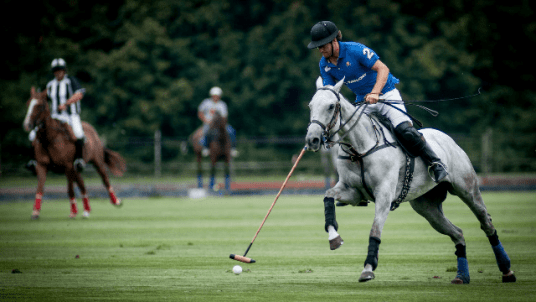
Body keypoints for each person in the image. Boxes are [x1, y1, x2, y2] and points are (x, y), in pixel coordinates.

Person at [307, 21, 447, 183]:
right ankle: (356, 183)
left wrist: (375, 92)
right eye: (318, 46)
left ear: (334, 41)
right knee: (353, 135)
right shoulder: (324, 64)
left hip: (386, 94)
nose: (320, 49)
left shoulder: (355, 50)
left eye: (323, 45)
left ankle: (435, 163)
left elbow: (383, 69)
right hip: (362, 101)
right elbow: (329, 94)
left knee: (404, 130)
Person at [26, 58, 87, 173]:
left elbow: (79, 94)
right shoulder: (51, 84)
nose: (58, 73)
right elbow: (42, 98)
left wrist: (66, 103)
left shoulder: (71, 81)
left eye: (60, 70)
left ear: (64, 71)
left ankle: (79, 160)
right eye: (55, 71)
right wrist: (35, 95)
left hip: (71, 115)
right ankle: (33, 161)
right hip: (55, 116)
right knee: (32, 135)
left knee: (78, 133)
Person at [197, 86, 238, 157]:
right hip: (208, 123)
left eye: (217, 96)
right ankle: (206, 148)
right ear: (212, 95)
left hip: (220, 124)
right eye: (214, 95)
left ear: (220, 96)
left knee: (232, 131)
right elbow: (200, 113)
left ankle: (232, 149)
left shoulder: (222, 104)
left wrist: (222, 123)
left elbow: (224, 116)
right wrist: (206, 120)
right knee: (206, 132)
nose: (216, 97)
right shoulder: (206, 102)